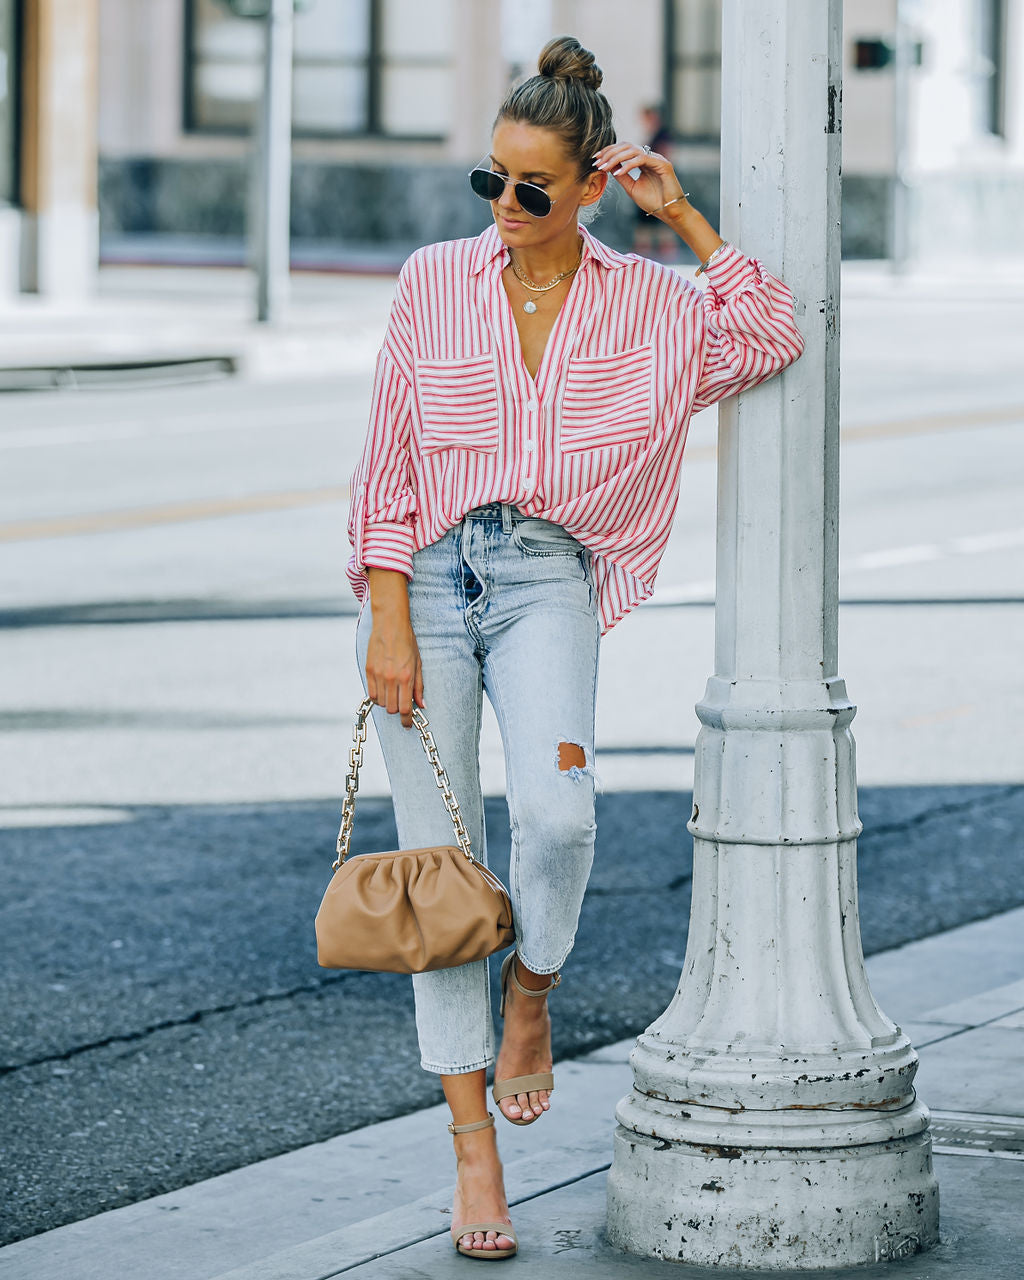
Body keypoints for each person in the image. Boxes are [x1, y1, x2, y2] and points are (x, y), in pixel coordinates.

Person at [346, 34, 804, 1261]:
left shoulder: (653, 305)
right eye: (489, 182)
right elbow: (387, 456)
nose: (503, 207)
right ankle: (472, 1150)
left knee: (556, 818)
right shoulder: (435, 279)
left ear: (589, 184)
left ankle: (533, 996)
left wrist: (687, 215)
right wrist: (386, 613)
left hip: (547, 574)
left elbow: (766, 335)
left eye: (531, 188)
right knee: (440, 873)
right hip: (426, 580)